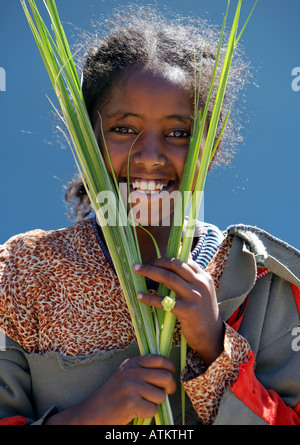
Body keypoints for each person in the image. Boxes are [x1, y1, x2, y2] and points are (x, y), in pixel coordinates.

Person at [0, 5, 299, 426]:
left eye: (179, 133)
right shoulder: (23, 274)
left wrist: (216, 346)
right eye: (123, 128)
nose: (151, 156)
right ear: (87, 138)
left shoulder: (259, 282)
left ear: (211, 144)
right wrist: (89, 416)